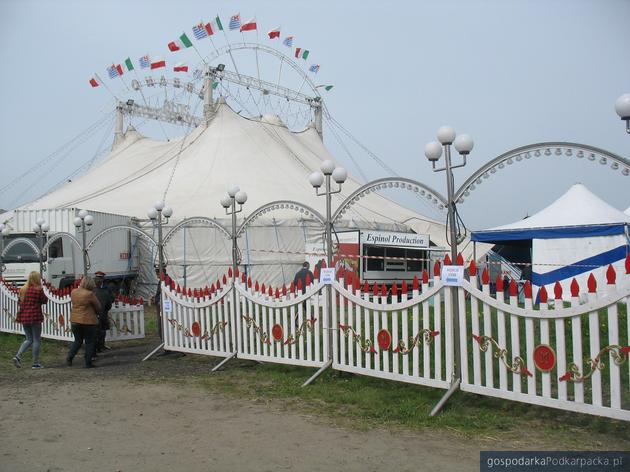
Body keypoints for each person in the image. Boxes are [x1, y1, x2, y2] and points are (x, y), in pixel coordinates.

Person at [13, 271, 48, 369]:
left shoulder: (23, 289)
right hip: (35, 317)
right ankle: (35, 363)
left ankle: (18, 356)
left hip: (24, 316)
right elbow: (45, 300)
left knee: (29, 339)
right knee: (36, 340)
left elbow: (19, 302)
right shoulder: (38, 289)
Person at [67, 276, 101, 368]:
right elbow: (98, 307)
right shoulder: (90, 294)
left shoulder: (73, 292)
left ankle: (70, 357)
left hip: (75, 320)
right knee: (89, 342)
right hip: (88, 321)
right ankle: (88, 362)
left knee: (77, 340)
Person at [94, 271, 114, 353]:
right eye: (98, 278)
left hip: (103, 312)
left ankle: (101, 345)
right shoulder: (93, 289)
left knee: (102, 330)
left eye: (100, 278)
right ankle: (97, 346)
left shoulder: (107, 288)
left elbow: (111, 298)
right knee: (97, 330)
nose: (99, 279)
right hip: (96, 312)